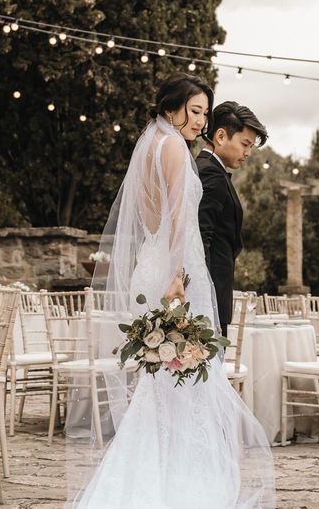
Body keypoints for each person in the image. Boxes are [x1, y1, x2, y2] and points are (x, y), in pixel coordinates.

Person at [70, 73, 274, 508]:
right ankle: (182, 486)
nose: (201, 121)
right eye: (195, 111)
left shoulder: (148, 147)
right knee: (185, 385)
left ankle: (150, 477)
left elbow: (151, 218)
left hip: (153, 264)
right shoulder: (176, 150)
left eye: (204, 112)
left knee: (162, 385)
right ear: (170, 109)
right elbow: (181, 221)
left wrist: (165, 266)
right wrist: (178, 275)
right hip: (173, 274)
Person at [196, 102, 268, 337]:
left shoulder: (208, 169)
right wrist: (204, 295)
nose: (247, 153)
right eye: (244, 144)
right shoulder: (210, 173)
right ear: (220, 136)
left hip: (214, 291)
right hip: (209, 296)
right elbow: (200, 235)